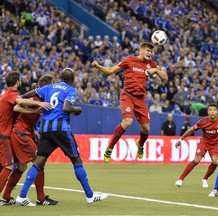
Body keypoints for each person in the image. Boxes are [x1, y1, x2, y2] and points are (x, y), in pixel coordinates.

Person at [15, 68, 108, 206]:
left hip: (45, 129)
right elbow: (66, 108)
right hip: (61, 129)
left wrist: (20, 97)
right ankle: (90, 195)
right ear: (73, 80)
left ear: (61, 77)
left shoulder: (48, 87)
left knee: (39, 162)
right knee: (76, 159)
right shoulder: (70, 90)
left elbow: (30, 94)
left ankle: (22, 195)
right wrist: (77, 110)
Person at [91, 42, 168, 163]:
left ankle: (140, 144)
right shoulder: (129, 60)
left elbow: (165, 78)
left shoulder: (151, 64)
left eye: (151, 51)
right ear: (141, 50)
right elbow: (111, 70)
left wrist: (156, 71)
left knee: (146, 129)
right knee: (127, 122)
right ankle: (110, 147)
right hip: (127, 95)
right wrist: (98, 67)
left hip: (141, 99)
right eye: (147, 50)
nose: (149, 53)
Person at [0, 75, 58, 206]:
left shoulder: (39, 98)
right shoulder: (35, 99)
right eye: (53, 86)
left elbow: (23, 117)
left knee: (21, 166)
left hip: (19, 133)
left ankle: (6, 196)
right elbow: (16, 108)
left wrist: (33, 132)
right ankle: (40, 198)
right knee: (38, 163)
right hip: (20, 134)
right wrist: (38, 106)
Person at [175, 104, 218, 187]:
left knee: (216, 162)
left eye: (214, 110)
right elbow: (191, 130)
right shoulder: (203, 121)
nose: (212, 112)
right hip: (204, 143)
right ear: (208, 112)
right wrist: (180, 140)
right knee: (196, 160)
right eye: (210, 110)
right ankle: (180, 179)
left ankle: (205, 179)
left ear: (217, 112)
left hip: (215, 145)